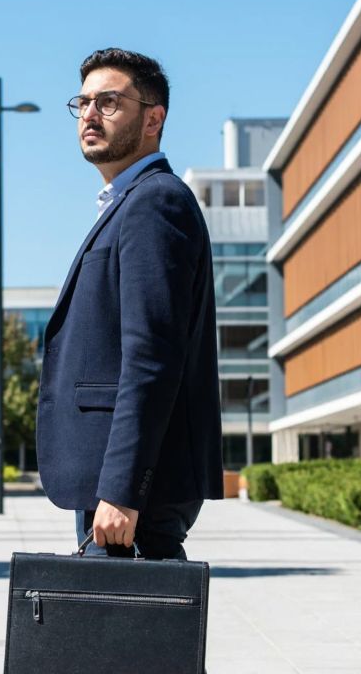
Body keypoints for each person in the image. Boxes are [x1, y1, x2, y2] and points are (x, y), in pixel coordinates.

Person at [36, 48, 223, 560]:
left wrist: (122, 487)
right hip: (116, 486)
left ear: (153, 118)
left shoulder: (154, 201)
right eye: (84, 103)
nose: (90, 114)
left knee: (124, 634)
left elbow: (151, 357)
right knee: (117, 638)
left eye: (110, 102)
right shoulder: (130, 203)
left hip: (132, 493)